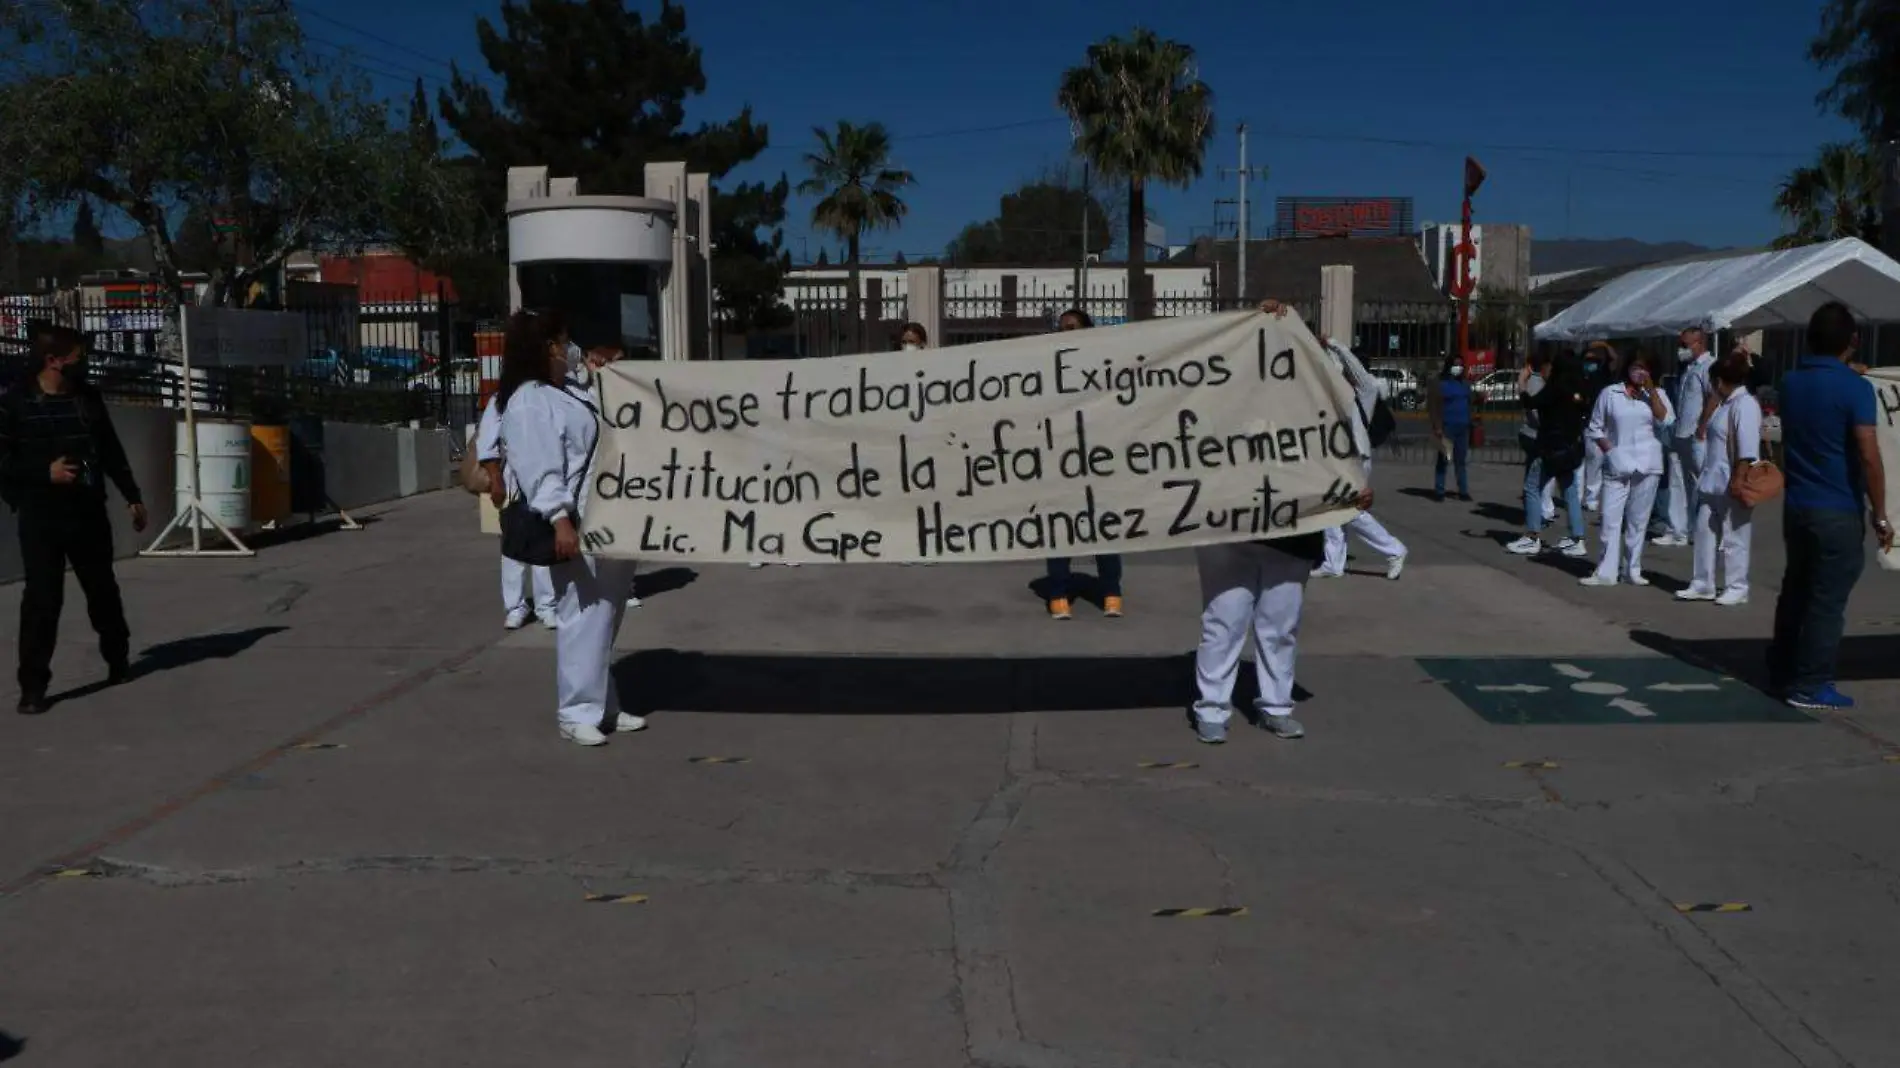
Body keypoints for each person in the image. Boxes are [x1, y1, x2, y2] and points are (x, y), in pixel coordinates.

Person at [496, 309, 645, 747]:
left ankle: (604, 703)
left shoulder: (570, 392)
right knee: (581, 614)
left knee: (607, 613)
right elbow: (542, 468)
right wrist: (560, 520)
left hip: (608, 519)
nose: (571, 350)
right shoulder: (529, 401)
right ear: (547, 348)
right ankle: (575, 711)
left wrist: (604, 378)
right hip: (575, 521)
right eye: (564, 342)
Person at [0, 324, 148, 715]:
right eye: (76, 357)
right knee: (42, 601)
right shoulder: (15, 403)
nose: (82, 363)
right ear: (53, 360)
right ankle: (33, 687)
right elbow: (4, 463)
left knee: (102, 592)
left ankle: (118, 660)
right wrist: (42, 473)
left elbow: (111, 451)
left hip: (87, 510)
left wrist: (132, 495)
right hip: (40, 515)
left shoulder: (88, 399)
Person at [1768, 302, 1892, 710]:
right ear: (1854, 341)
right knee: (1827, 601)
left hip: (1798, 505)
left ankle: (1782, 671)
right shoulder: (1854, 389)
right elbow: (1868, 453)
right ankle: (1811, 684)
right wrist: (1881, 512)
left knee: (1796, 591)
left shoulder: (1790, 382)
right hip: (1837, 507)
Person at [1192, 489, 1376, 745]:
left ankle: (1276, 706)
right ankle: (1212, 708)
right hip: (1225, 527)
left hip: (1292, 530)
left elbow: (1345, 453)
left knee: (1280, 628)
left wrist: (1353, 484)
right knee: (1223, 624)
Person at [1042, 307, 1122, 619]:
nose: (1067, 334)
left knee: (1105, 525)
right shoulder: (1050, 367)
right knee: (1059, 525)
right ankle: (1058, 592)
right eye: (1062, 329)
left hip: (1098, 457)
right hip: (1061, 457)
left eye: (1073, 328)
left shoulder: (1103, 364)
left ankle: (1111, 590)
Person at [1581, 349, 1674, 588]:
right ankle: (1605, 571)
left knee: (1638, 521)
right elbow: (1595, 427)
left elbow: (1665, 421)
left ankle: (1632, 569)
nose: (1639, 372)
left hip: (1648, 464)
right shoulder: (1610, 393)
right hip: (1617, 464)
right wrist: (1610, 451)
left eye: (1645, 368)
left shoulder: (1658, 395)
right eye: (1636, 366)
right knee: (1610, 519)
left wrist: (1651, 391)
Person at [1676, 352, 1763, 607]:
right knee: (1704, 530)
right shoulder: (1725, 404)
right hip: (1712, 479)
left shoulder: (1744, 404)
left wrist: (1739, 479)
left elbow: (1747, 448)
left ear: (1720, 381)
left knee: (1735, 535)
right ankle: (1703, 582)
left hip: (1732, 479)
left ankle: (1738, 585)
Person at [477, 395, 558, 630]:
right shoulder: (501, 397)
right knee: (513, 544)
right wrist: (495, 481)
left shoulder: (548, 392)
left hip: (546, 474)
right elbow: (487, 443)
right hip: (513, 479)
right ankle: (516, 605)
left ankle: (547, 605)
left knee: (545, 539)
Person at [1507, 350, 1591, 558]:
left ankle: (1532, 536)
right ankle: (1577, 538)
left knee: (1532, 487)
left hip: (1551, 448)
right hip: (1571, 448)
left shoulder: (1556, 387)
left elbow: (1531, 403)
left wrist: (1521, 384)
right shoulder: (1579, 388)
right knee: (1570, 491)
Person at [1654, 327, 1715, 548]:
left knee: (1699, 483)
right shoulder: (1689, 367)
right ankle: (1677, 529)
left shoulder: (1708, 366)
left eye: (1685, 345)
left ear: (1699, 343)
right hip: (1680, 431)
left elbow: (1714, 396)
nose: (1681, 349)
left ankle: (1703, 529)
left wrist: (1703, 425)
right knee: (1677, 482)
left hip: (1695, 435)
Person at [1427, 353, 1473, 502]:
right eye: (1455, 365)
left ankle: (1463, 491)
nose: (1458, 368)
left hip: (1463, 426)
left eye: (1460, 365)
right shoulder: (1439, 383)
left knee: (1461, 461)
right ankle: (1439, 490)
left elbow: (1470, 400)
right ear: (1449, 366)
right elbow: (1433, 406)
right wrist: (1437, 427)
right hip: (1446, 427)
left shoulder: (1464, 383)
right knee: (1443, 460)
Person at [1579, 341, 1616, 511]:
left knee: (1598, 460)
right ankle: (1583, 496)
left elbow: (1613, 358)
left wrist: (1602, 345)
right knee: (1585, 462)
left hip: (1602, 423)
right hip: (1585, 422)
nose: (1590, 363)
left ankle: (1592, 497)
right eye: (1587, 360)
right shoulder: (1581, 376)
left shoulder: (1603, 375)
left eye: (1593, 360)